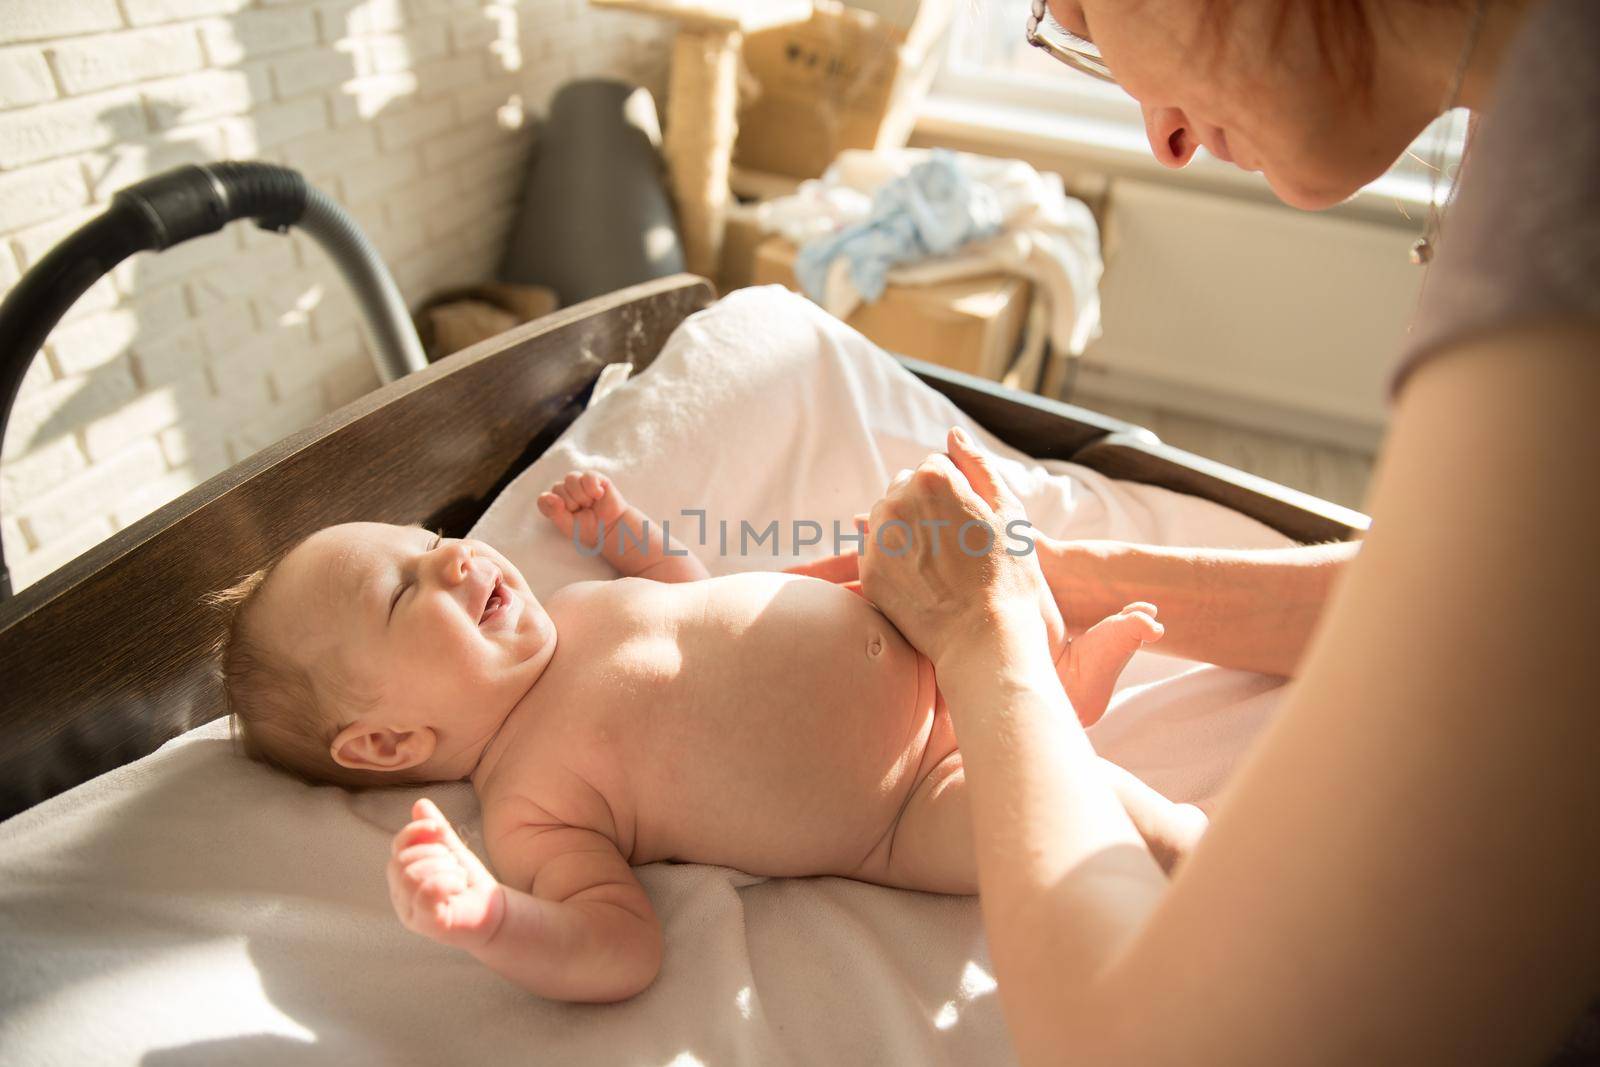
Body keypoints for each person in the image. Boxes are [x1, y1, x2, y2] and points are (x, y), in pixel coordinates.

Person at [796, 0, 1599, 1062]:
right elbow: (1481, 594)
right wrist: (1055, 574)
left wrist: (984, 641)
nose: (1161, 141)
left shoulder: (1571, 141)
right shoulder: (1539, 79)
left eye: (1070, 11)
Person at [207, 471, 1206, 1003]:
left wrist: (624, 533)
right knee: (1105, 820)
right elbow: (614, 947)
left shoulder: (582, 604)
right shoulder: (531, 801)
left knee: (983, 605)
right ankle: (1198, 851)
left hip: (926, 633)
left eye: (430, 540)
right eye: (405, 587)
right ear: (386, 742)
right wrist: (494, 921)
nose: (456, 554)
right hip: (907, 799)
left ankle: (1049, 679)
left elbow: (698, 592)